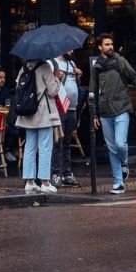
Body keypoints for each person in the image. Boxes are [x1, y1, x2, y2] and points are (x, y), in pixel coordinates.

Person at [89, 33, 136, 194]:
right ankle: (118, 182)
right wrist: (94, 114)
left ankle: (124, 163)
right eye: (107, 44)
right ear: (100, 47)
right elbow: (93, 91)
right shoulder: (96, 67)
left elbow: (135, 76)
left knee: (120, 144)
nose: (110, 47)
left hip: (121, 108)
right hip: (105, 111)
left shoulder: (120, 61)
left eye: (111, 44)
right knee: (112, 148)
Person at [15, 59, 62, 193]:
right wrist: (57, 78)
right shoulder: (45, 67)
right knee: (45, 147)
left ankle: (29, 181)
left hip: (28, 113)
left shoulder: (23, 68)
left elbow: (18, 85)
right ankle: (45, 182)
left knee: (30, 146)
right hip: (43, 114)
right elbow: (53, 91)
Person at [51, 52, 82, 187]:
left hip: (72, 107)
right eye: (68, 49)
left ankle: (67, 173)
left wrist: (78, 77)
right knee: (58, 142)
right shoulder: (52, 63)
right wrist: (55, 77)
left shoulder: (71, 63)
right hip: (59, 107)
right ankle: (55, 173)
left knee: (67, 142)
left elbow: (75, 84)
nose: (71, 52)